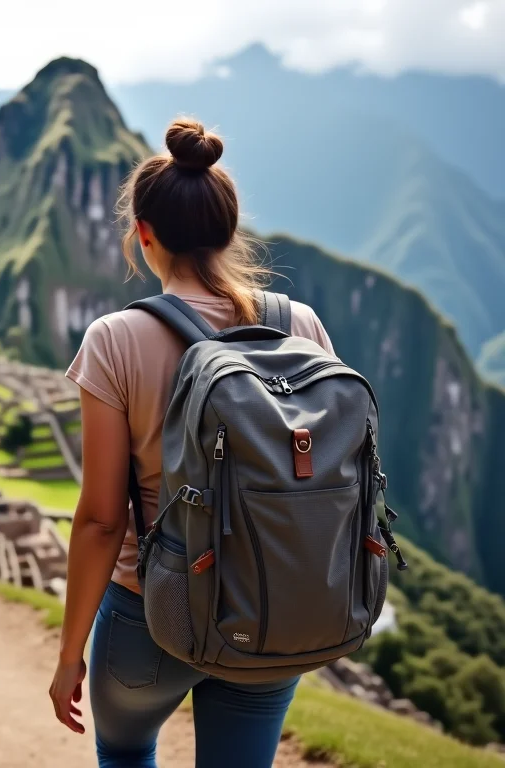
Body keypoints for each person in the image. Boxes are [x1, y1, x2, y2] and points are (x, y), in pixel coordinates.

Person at [49, 118, 336, 767]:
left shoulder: (115, 340)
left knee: (125, 754)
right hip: (269, 608)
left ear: (142, 234)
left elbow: (100, 520)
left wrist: (70, 655)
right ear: (229, 232)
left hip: (149, 614)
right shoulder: (301, 324)